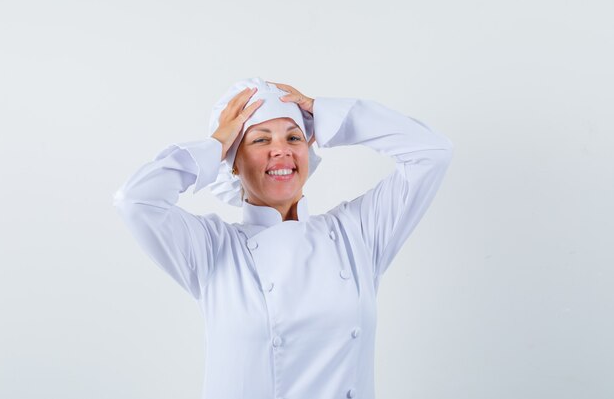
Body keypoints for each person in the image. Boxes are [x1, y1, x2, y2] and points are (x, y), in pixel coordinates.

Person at [113, 77, 454, 399]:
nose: (282, 151)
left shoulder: (358, 234)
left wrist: (328, 114)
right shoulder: (212, 249)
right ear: (233, 162)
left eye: (293, 138)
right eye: (260, 139)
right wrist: (215, 144)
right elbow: (136, 201)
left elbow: (432, 152)